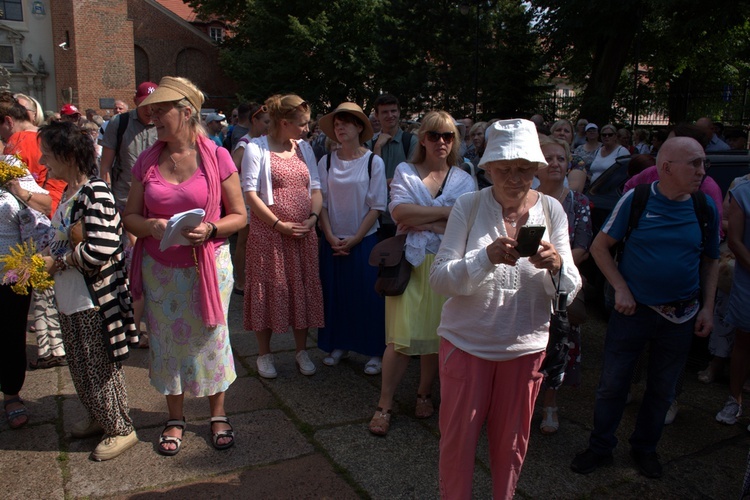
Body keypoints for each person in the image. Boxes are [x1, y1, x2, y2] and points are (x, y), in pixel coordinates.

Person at [430, 119, 581, 498]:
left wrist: (557, 266)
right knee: (457, 445)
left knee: (512, 448)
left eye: (525, 169)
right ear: (488, 169)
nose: (516, 178)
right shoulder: (468, 205)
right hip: (467, 344)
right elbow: (440, 279)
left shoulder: (552, 211)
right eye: (505, 169)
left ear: (537, 169)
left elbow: (569, 288)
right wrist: (484, 258)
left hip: (524, 349)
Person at [571, 137, 719, 479]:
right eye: (694, 163)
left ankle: (645, 449)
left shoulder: (703, 206)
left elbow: (711, 260)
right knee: (612, 384)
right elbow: (599, 247)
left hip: (680, 316)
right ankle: (600, 447)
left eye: (703, 163)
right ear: (666, 168)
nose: (702, 171)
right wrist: (620, 288)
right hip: (632, 314)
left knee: (662, 389)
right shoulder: (636, 200)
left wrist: (708, 308)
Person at [123, 76, 246, 455]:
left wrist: (210, 228)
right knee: (164, 342)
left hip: (207, 265)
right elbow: (130, 218)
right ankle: (174, 418)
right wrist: (152, 225)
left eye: (162, 110)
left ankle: (218, 413)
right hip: (160, 270)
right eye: (152, 111)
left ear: (186, 111)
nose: (154, 116)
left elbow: (239, 216)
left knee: (212, 339)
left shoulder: (217, 155)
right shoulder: (147, 159)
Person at [368, 111, 475, 436]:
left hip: (446, 265)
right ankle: (384, 404)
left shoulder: (464, 178)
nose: (441, 142)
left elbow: (467, 222)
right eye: (434, 135)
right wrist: (446, 215)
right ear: (422, 139)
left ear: (454, 140)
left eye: (448, 136)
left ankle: (423, 393)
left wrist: (422, 219)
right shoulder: (405, 170)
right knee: (399, 339)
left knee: (435, 337)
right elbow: (399, 211)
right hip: (410, 265)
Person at [38, 121, 138, 461]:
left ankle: (121, 427)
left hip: (94, 300)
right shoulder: (68, 192)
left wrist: (60, 261)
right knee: (81, 366)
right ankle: (100, 417)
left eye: (48, 154)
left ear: (68, 155)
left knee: (99, 366)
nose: (42, 160)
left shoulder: (95, 191)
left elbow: (103, 247)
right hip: (71, 298)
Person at [241, 94, 324, 379]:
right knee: (268, 291)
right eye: (301, 124)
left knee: (301, 289)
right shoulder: (257, 148)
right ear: (284, 122)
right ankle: (264, 354)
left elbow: (315, 187)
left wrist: (312, 219)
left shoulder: (304, 148)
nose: (306, 129)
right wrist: (278, 225)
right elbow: (250, 194)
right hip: (270, 237)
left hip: (302, 234)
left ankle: (301, 350)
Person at [315, 102, 387, 374]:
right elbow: (320, 201)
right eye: (336, 123)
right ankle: (338, 344)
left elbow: (377, 205)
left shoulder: (373, 161)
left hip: (364, 239)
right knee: (335, 294)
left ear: (359, 126)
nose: (340, 127)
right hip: (333, 239)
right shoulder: (327, 160)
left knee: (367, 296)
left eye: (345, 122)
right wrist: (330, 234)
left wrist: (356, 238)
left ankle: (374, 350)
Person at [535, 136, 592, 434]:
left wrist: (559, 266)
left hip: (561, 284)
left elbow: (583, 245)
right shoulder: (526, 197)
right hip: (529, 283)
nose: (555, 163)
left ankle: (550, 404)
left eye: (560, 158)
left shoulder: (578, 202)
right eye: (549, 158)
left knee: (558, 345)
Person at [99, 80, 158, 348]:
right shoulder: (119, 124)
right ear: (136, 101)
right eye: (146, 105)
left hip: (156, 206)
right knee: (131, 265)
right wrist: (107, 200)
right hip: (124, 204)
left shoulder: (163, 124)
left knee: (151, 266)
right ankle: (133, 326)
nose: (150, 110)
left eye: (154, 105)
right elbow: (106, 166)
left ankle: (143, 323)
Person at [0, 155, 50, 430]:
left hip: (13, 270)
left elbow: (46, 203)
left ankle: (11, 394)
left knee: (10, 334)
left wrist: (18, 191)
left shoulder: (10, 164)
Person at [715, 179, 750, 425]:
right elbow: (736, 241)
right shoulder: (744, 191)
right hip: (748, 281)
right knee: (744, 342)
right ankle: (734, 398)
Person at [231, 102, 271, 296]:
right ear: (254, 120)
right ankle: (241, 281)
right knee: (244, 239)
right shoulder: (244, 143)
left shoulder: (265, 142)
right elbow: (230, 169)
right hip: (246, 197)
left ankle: (257, 279)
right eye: (265, 122)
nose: (268, 125)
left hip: (261, 196)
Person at [366, 94, 419, 238]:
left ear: (399, 112)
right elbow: (367, 181)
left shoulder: (411, 141)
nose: (390, 115)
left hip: (403, 217)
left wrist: (380, 183)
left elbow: (411, 180)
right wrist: (377, 148)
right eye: (385, 112)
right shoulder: (370, 144)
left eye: (393, 111)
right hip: (375, 217)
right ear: (376, 115)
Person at [571, 123, 601, 192]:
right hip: (582, 182)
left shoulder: (603, 148)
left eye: (594, 130)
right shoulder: (579, 149)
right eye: (589, 131)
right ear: (586, 134)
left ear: (598, 133)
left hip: (598, 183)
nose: (592, 132)